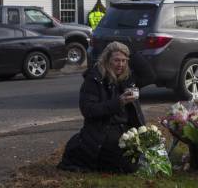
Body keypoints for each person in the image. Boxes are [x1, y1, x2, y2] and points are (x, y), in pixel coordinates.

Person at [58, 41, 155, 173]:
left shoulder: (127, 77)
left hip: (127, 128)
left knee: (153, 153)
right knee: (128, 165)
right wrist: (118, 102)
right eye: (116, 60)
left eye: (124, 60)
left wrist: (131, 51)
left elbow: (150, 76)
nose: (120, 64)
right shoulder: (94, 79)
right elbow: (88, 110)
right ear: (107, 60)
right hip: (103, 130)